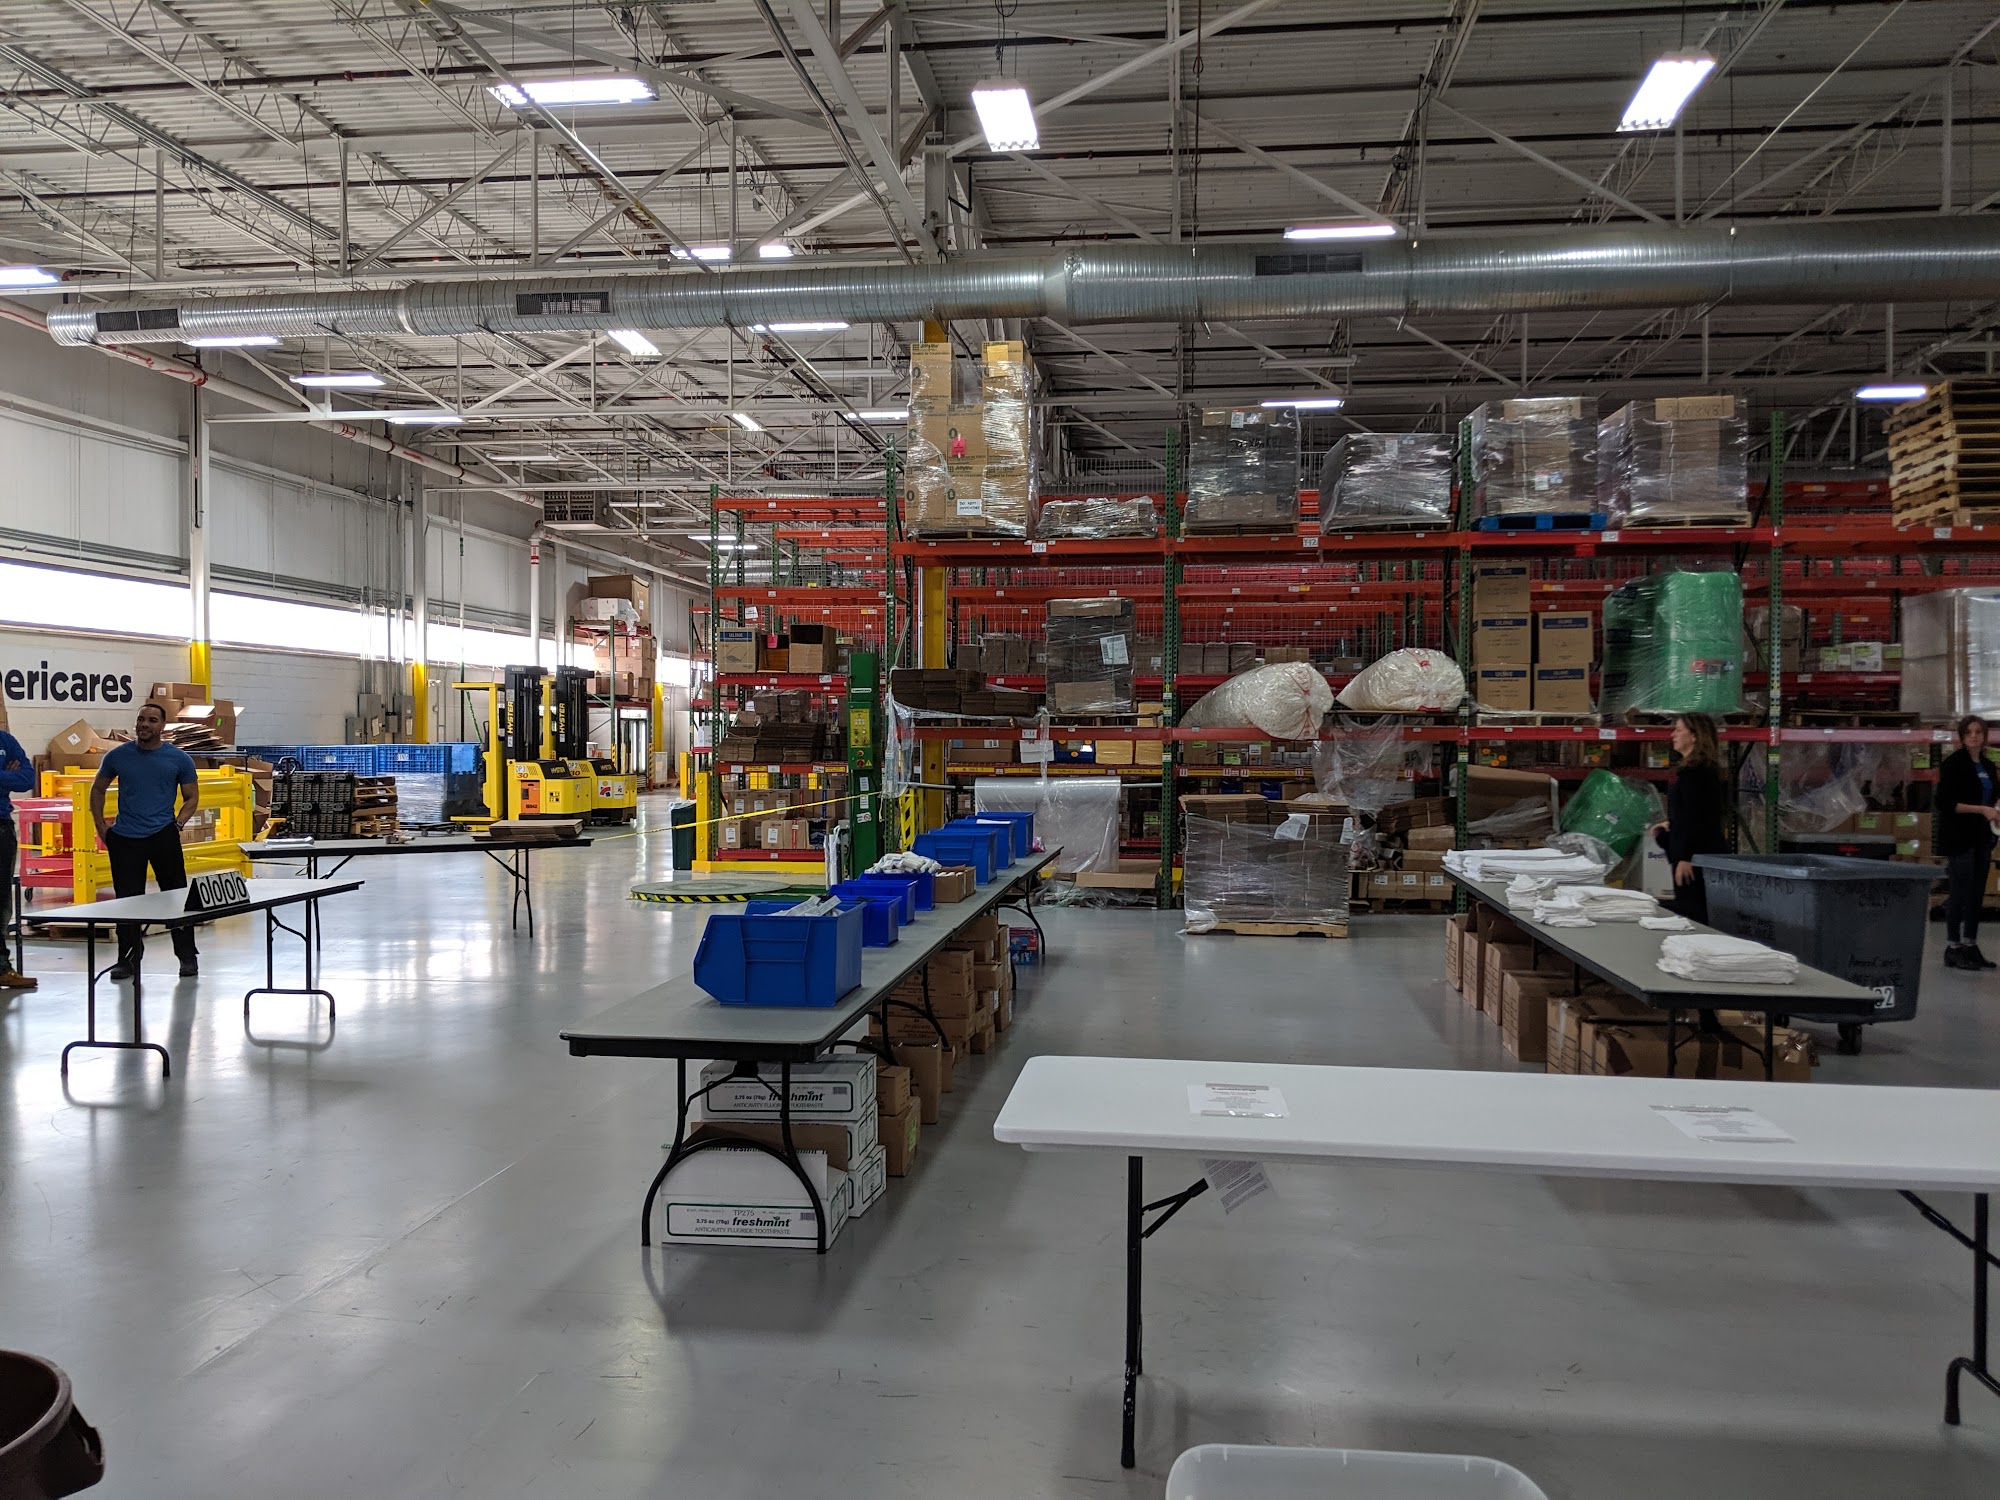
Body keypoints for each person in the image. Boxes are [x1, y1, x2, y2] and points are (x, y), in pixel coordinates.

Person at [90, 702, 201, 980]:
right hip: (125, 838)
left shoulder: (179, 759)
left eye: (152, 720)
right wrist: (101, 825)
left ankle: (187, 957)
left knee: (176, 897)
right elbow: (98, 789)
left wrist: (178, 823)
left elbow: (192, 797)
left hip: (163, 835)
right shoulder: (117, 756)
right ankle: (127, 959)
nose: (145, 725)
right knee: (127, 901)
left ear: (162, 725)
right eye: (141, 719)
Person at [1937, 713, 2000, 971]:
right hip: (1959, 836)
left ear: (1984, 736)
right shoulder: (1953, 764)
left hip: (1982, 836)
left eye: (1978, 732)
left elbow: (1993, 797)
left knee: (1976, 893)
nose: (1974, 736)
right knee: (1960, 892)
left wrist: (1995, 809)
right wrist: (1981, 810)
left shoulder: (1988, 765)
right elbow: (1945, 803)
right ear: (1962, 737)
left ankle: (1970, 945)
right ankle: (1952, 947)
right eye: (1969, 732)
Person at [1653, 712, 1728, 924]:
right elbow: (1690, 812)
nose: (1673, 735)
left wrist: (1687, 857)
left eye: (1678, 730)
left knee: (1693, 913)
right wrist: (1670, 825)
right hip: (1691, 854)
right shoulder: (1693, 771)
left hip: (1696, 859)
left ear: (1694, 736)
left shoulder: (1698, 773)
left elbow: (1700, 818)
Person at [0, 722, 36, 991]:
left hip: (1, 826)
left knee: (1, 901)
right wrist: (4, 775)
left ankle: (2, 967)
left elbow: (26, 779)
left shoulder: (5, 741)